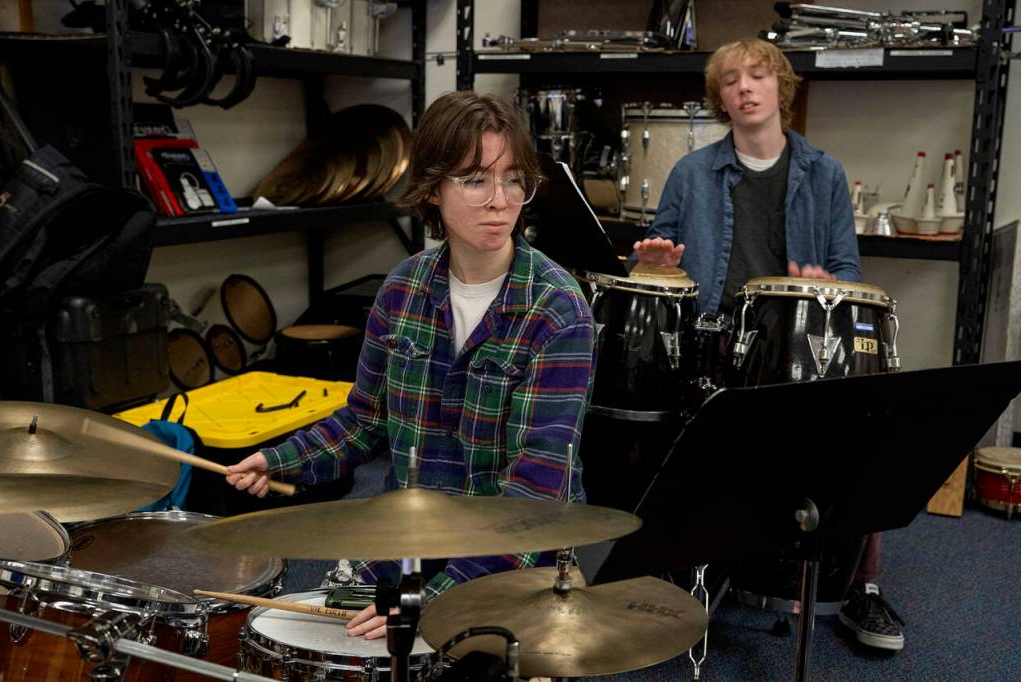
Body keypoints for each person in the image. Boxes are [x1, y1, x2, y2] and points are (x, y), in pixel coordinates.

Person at [226, 90, 594, 640]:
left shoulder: (558, 310)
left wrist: (437, 600)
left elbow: (538, 492)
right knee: (310, 634)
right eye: (475, 179)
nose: (500, 200)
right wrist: (280, 460)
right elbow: (366, 420)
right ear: (433, 188)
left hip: (516, 553)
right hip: (413, 540)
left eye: (514, 178)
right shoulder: (401, 291)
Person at [633, 39, 903, 651]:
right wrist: (650, 262)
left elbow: (846, 269)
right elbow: (655, 263)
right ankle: (679, 566)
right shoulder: (691, 173)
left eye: (758, 76)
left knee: (871, 417)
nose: (745, 88)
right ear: (719, 98)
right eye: (730, 81)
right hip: (714, 336)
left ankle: (862, 586)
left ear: (782, 88)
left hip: (797, 337)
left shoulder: (824, 171)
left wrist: (829, 285)